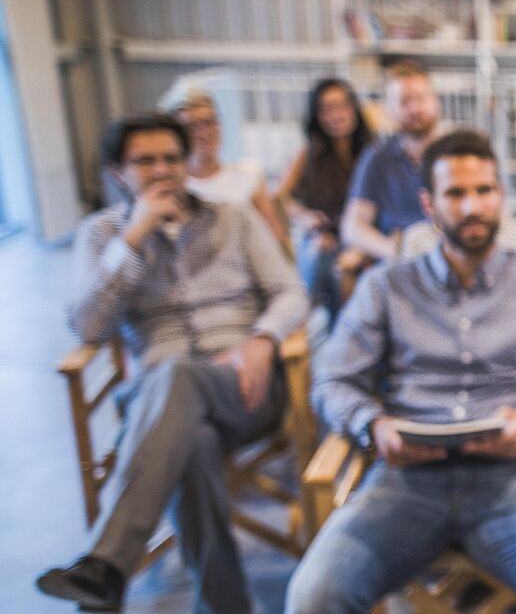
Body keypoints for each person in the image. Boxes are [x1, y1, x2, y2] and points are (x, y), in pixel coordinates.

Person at [286, 130, 516, 613]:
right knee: (315, 596)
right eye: (455, 194)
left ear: (500, 196)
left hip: (512, 480)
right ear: (430, 204)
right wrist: (372, 426)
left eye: (483, 191)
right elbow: (332, 380)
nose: (471, 206)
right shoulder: (387, 286)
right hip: (404, 480)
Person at [37, 114, 309, 613]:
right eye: (145, 161)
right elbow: (89, 327)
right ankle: (225, 607)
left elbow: (292, 291)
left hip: (242, 388)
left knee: (178, 377)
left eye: (171, 158)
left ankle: (106, 563)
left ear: (186, 163)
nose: (162, 170)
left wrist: (264, 340)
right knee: (194, 441)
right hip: (161, 408)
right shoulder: (102, 235)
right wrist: (133, 239)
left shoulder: (232, 217)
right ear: (119, 172)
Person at [278, 77, 373, 319]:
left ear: (353, 107)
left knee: (342, 270)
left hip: (362, 238)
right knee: (321, 256)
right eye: (326, 109)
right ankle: (303, 322)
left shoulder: (373, 151)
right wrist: (304, 217)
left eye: (342, 106)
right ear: (317, 116)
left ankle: (331, 331)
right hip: (323, 236)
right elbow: (281, 198)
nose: (336, 115)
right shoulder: (309, 153)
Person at [341, 59, 443, 261]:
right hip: (396, 259)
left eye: (421, 98)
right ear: (390, 109)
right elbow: (353, 227)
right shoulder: (377, 158)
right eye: (404, 101)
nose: (414, 108)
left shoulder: (458, 155)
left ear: (436, 101)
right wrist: (395, 251)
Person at [170, 89, 291, 246]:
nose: (203, 133)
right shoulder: (173, 187)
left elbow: (275, 235)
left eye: (209, 122)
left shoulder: (248, 174)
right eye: (192, 126)